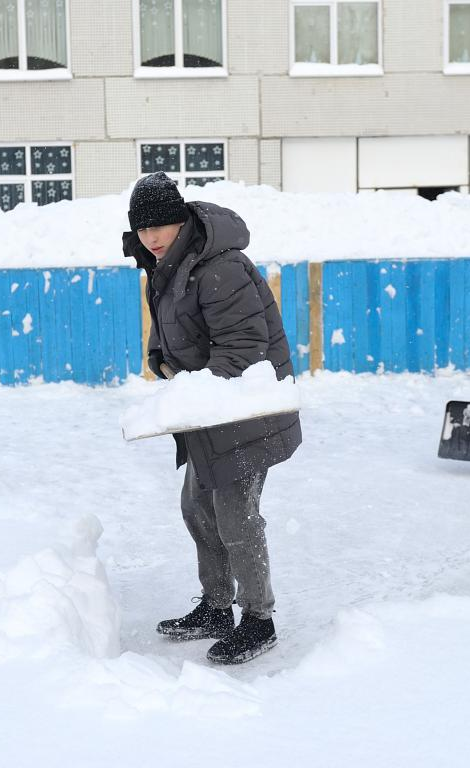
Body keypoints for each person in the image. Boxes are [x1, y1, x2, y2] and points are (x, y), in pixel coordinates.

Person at [121, 172, 302, 664]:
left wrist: (189, 394)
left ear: (182, 220)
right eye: (143, 230)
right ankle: (219, 605)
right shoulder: (170, 264)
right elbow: (172, 332)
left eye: (161, 227)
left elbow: (243, 349)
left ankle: (258, 620)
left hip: (245, 409)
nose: (151, 238)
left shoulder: (218, 267)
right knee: (198, 509)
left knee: (236, 517)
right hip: (210, 413)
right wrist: (162, 362)